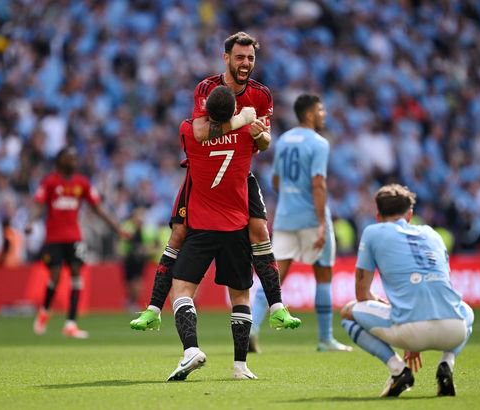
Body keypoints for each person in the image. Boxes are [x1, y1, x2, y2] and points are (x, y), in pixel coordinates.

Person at [130, 31, 299, 333]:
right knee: (179, 233)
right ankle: (153, 308)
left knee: (259, 229)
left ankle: (277, 307)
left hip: (237, 173)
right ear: (226, 58)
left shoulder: (262, 95)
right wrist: (242, 120)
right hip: (204, 175)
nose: (245, 63)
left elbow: (263, 143)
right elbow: (200, 132)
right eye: (239, 57)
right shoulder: (206, 88)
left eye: (250, 58)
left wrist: (260, 135)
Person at [340, 184, 474, 397]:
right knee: (466, 310)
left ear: (378, 216)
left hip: (410, 329)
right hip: (453, 330)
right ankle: (447, 364)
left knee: (348, 312)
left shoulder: (373, 232)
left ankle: (398, 370)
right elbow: (439, 287)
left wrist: (388, 307)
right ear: (410, 215)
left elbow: (362, 295)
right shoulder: (433, 234)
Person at [166, 86, 263, 381]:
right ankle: (240, 366)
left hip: (202, 226)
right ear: (234, 111)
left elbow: (198, 132)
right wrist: (248, 122)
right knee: (241, 295)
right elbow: (262, 142)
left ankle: (191, 349)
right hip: (236, 227)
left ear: (206, 110)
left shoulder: (187, 131)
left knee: (181, 290)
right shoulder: (247, 134)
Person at [250, 94, 352, 353]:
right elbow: (318, 183)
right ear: (309, 114)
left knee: (274, 276)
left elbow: (274, 180)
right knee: (323, 275)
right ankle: (325, 339)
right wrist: (320, 223)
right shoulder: (319, 143)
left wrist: (289, 197)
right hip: (310, 217)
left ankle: (252, 328)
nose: (323, 114)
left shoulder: (283, 140)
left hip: (285, 217)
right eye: (320, 110)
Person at [26, 146, 128, 339]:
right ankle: (45, 312)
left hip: (74, 237)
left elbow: (98, 208)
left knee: (76, 275)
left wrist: (117, 228)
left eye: (75, 158)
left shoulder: (82, 183)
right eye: (69, 158)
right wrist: (31, 222)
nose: (74, 161)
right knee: (55, 276)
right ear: (60, 161)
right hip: (54, 238)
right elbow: (38, 205)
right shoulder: (50, 182)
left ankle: (71, 324)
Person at [119, 207, 161, 313]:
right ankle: (130, 301)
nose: (139, 219)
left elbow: (157, 245)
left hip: (140, 258)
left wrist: (146, 250)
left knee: (137, 281)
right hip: (128, 258)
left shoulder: (148, 230)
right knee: (128, 282)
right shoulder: (127, 227)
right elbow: (121, 242)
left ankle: (133, 302)